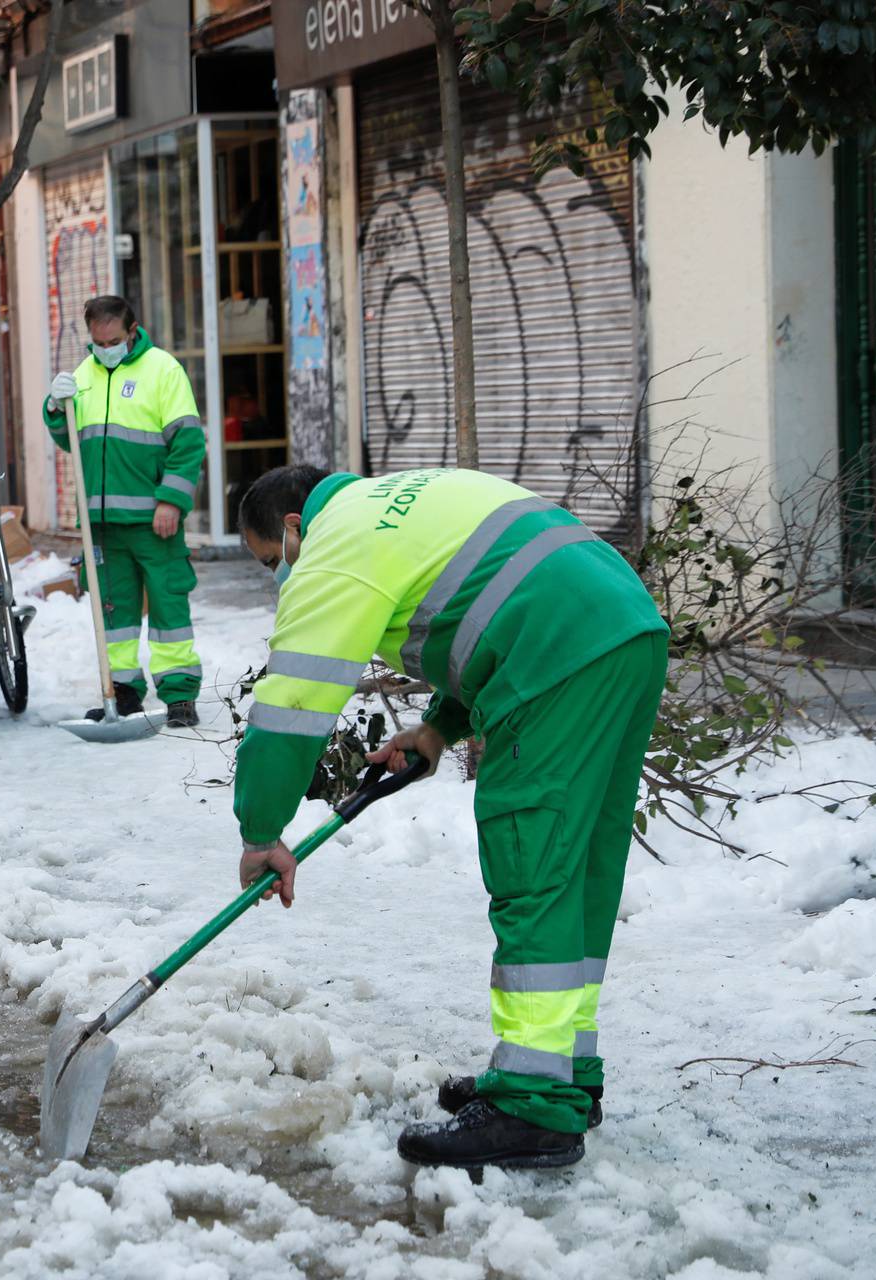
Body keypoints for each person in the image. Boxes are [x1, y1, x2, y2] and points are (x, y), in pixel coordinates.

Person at [231, 464, 668, 1171]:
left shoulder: (335, 543)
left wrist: (259, 833)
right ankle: (563, 1072)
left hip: (559, 649)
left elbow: (292, 708)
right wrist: (436, 730)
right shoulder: (395, 501)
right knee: (579, 864)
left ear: (291, 528)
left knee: (534, 862)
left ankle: (532, 1106)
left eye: (268, 562)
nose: (276, 576)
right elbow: (492, 607)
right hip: (623, 628)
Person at [42, 295, 207, 727]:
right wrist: (55, 409)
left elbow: (188, 443)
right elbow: (70, 441)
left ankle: (179, 696)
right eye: (97, 343)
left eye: (112, 341)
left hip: (154, 518)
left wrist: (171, 499)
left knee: (170, 609)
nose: (104, 349)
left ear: (132, 331)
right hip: (102, 523)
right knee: (112, 612)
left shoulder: (163, 370)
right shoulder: (83, 375)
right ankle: (123, 690)